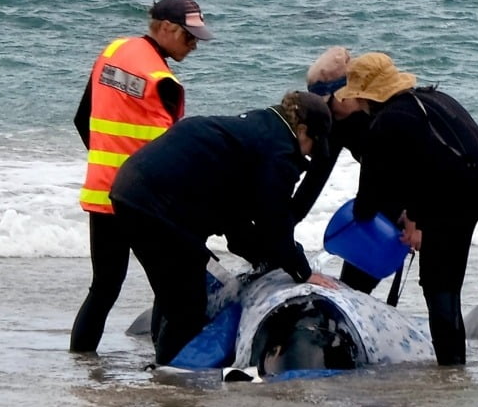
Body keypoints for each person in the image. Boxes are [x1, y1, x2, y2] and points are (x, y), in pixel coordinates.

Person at [334, 52, 478, 369]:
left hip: (453, 195)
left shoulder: (384, 127)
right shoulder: (436, 98)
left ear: (361, 95)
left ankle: (453, 370)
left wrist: (413, 219)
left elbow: (366, 206)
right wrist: (415, 215)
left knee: (441, 286)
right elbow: (444, 157)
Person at [109, 91, 339, 366]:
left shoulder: (257, 130)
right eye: (313, 145)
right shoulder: (278, 151)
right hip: (156, 203)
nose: (310, 154)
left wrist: (263, 259)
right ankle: (171, 381)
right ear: (301, 130)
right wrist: (301, 270)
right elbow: (274, 221)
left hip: (130, 189)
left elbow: (237, 220)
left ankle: (164, 361)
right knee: (188, 306)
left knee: (175, 290)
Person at [69, 0, 213, 353]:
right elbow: (172, 153)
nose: (194, 45)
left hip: (104, 194)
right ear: (165, 27)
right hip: (147, 202)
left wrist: (112, 166)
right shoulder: (161, 80)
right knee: (168, 286)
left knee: (103, 288)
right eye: (189, 36)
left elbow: (81, 119)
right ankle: (163, 364)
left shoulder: (113, 51)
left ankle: (80, 365)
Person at [290, 47, 382, 293]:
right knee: (352, 285)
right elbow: (314, 180)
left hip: (425, 193)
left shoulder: (383, 112)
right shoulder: (335, 124)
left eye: (328, 104)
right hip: (382, 194)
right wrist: (283, 231)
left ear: (346, 92)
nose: (326, 113)